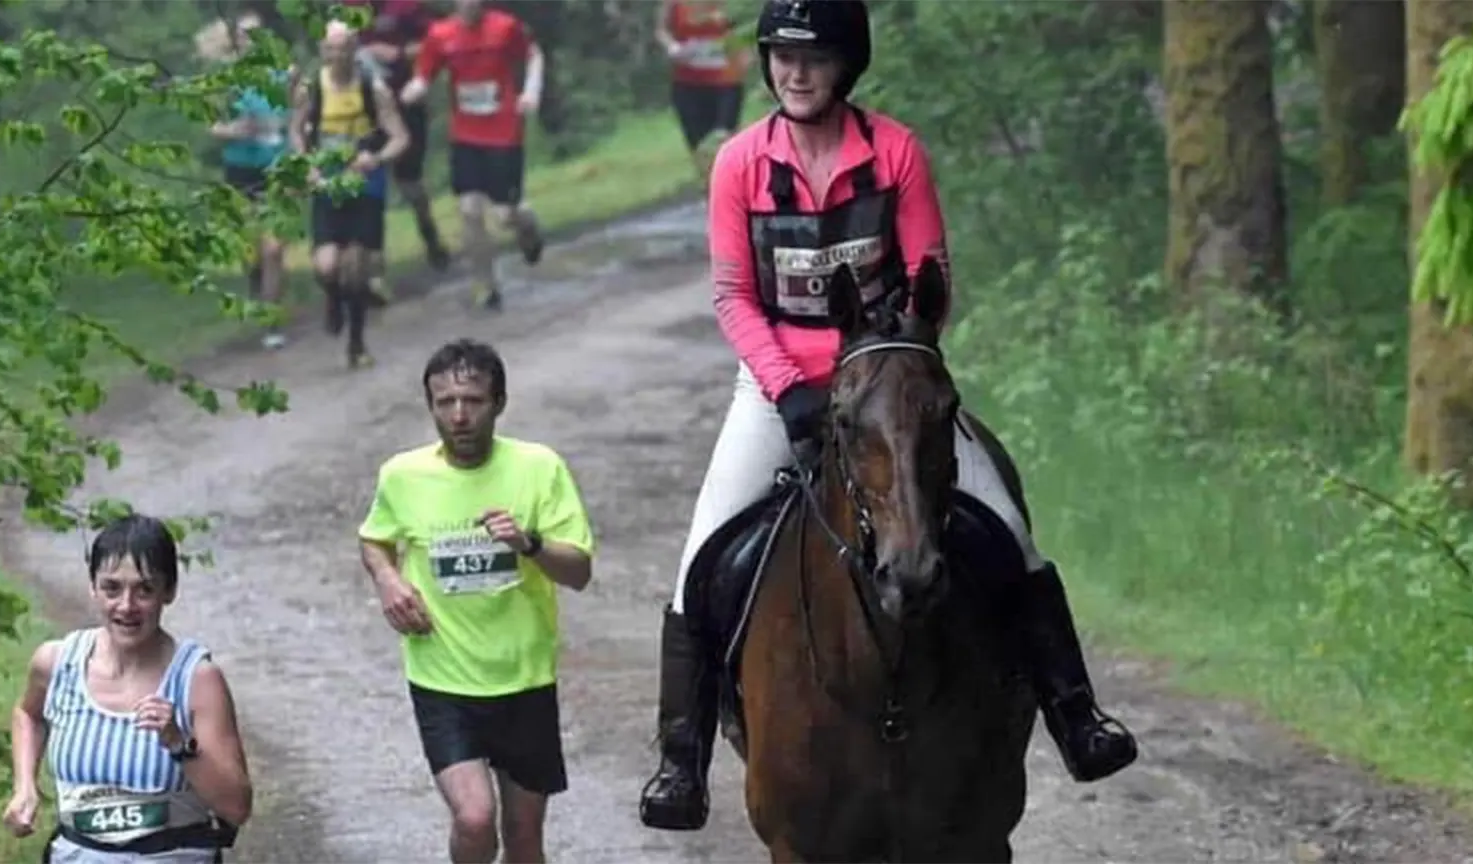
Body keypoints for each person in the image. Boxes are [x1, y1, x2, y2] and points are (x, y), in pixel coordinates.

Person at [636, 0, 1139, 833]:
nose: (795, 73)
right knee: (703, 554)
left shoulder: (896, 150)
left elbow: (927, 273)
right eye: (782, 56)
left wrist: (886, 367)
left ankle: (1076, 716)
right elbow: (732, 294)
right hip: (777, 387)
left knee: (1009, 531)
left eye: (815, 57)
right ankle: (680, 761)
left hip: (889, 381)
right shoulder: (738, 164)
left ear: (847, 65)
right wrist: (789, 388)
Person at [358, 339, 596, 863]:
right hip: (443, 679)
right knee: (474, 818)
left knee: (524, 835)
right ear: (431, 407)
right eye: (445, 403)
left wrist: (528, 543)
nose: (459, 415)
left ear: (499, 403)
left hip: (524, 678)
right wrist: (388, 580)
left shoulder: (539, 467)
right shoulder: (404, 475)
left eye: (473, 401)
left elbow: (578, 572)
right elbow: (374, 538)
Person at [2, 514, 254, 862]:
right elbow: (28, 715)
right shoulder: (56, 663)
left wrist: (179, 744)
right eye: (112, 588)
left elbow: (237, 807)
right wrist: (25, 787)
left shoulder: (197, 679)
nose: (126, 605)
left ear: (170, 592)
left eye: (145, 589)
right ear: (92, 587)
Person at [402, 0, 547, 312]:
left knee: (506, 215)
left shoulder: (505, 27)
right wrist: (414, 90)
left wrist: (532, 91)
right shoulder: (440, 35)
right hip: (466, 135)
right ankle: (485, 284)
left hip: (504, 132)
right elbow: (424, 74)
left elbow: (534, 56)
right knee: (468, 209)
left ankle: (529, 229)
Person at [289, 19, 412, 369]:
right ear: (322, 51)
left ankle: (356, 343)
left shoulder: (373, 89)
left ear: (355, 48)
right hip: (328, 184)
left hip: (365, 185)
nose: (338, 54)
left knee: (357, 265)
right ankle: (333, 296)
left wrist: (377, 157)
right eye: (332, 48)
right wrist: (308, 167)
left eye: (344, 47)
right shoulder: (313, 89)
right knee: (327, 266)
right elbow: (297, 133)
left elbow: (400, 137)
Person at [202, 12, 292, 351]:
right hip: (239, 169)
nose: (251, 42)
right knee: (250, 249)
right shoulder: (226, 80)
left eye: (256, 35)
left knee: (273, 249)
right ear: (235, 41)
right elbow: (208, 123)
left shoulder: (282, 74)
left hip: (276, 169)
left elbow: (296, 120)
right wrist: (232, 130)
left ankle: (272, 322)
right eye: (244, 36)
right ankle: (258, 286)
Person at [355, 0, 454, 294]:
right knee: (369, 183)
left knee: (409, 183)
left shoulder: (406, 6)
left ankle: (429, 232)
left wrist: (396, 53)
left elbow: (435, 40)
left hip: (404, 101)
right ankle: (375, 272)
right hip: (364, 108)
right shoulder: (347, 7)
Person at [655, 0, 750, 184]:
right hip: (688, 84)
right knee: (700, 148)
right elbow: (661, 30)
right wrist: (672, 47)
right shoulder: (673, 4)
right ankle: (712, 192)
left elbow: (742, 28)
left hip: (725, 82)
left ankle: (735, 189)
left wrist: (743, 54)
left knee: (723, 140)